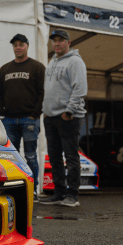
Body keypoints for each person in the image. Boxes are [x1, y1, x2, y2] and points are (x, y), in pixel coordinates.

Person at [39, 29, 87, 207]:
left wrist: (69, 111)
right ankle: (59, 193)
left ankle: (72, 195)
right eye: (55, 41)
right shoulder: (52, 61)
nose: (57, 43)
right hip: (51, 116)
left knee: (71, 156)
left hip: (68, 117)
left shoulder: (75, 62)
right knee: (54, 157)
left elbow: (80, 89)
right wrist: (46, 110)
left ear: (69, 42)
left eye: (61, 40)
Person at [0, 34, 46, 198]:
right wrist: (1, 114)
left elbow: (43, 92)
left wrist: (34, 114)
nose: (18, 47)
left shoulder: (37, 67)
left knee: (30, 156)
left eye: (21, 44)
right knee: (11, 157)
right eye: (15, 45)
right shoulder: (5, 69)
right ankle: (14, 190)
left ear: (27, 46)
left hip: (29, 119)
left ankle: (33, 190)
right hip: (8, 120)